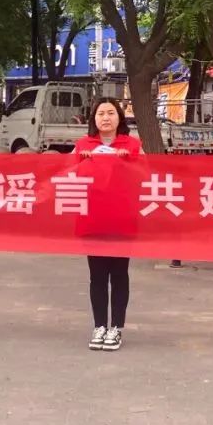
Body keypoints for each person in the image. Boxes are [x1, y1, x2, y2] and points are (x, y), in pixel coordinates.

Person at [73, 97, 143, 352]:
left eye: (111, 113)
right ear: (94, 119)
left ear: (119, 118)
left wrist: (130, 161)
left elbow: (145, 175)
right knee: (97, 276)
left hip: (122, 219)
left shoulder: (132, 145)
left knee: (119, 273)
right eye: (101, 113)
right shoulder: (82, 145)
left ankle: (116, 328)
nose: (105, 117)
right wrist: (81, 161)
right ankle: (100, 325)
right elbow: (66, 174)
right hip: (93, 219)